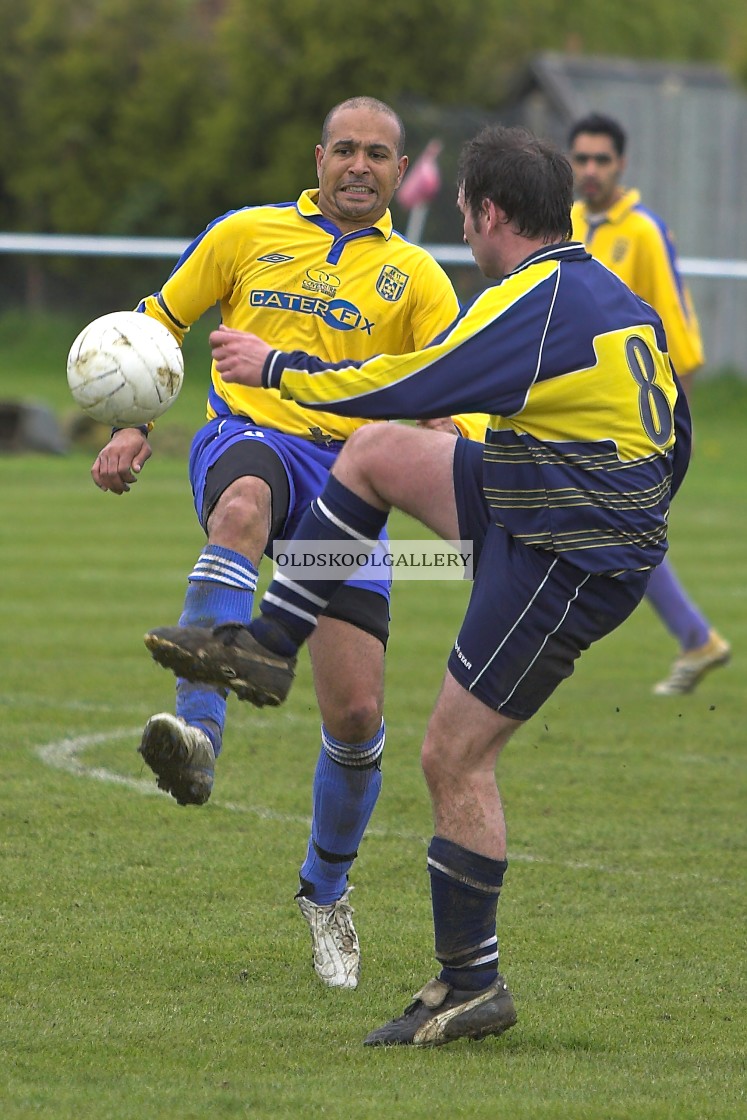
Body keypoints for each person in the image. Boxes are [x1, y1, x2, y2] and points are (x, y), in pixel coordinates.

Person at [145, 125, 691, 1047]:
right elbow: (676, 436)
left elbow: (409, 380)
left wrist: (278, 368)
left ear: (483, 213)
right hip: (540, 499)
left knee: (452, 756)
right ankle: (270, 648)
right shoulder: (603, 292)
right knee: (380, 457)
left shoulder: (530, 300)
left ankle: (470, 984)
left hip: (568, 550)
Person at [91, 95, 485, 991]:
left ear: (396, 170)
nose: (358, 165)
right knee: (238, 507)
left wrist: (451, 434)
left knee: (354, 718)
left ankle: (325, 892)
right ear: (317, 157)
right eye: (343, 149)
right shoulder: (245, 233)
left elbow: (442, 389)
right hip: (252, 439)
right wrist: (131, 424)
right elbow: (157, 327)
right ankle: (196, 740)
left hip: (352, 483)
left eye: (376, 154)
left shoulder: (419, 277)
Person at [568, 112, 730, 696]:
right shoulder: (566, 225)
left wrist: (667, 435)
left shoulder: (641, 232)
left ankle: (696, 638)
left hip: (629, 423)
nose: (590, 170)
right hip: (575, 416)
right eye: (581, 159)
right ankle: (696, 638)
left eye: (600, 160)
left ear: (621, 164)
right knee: (609, 531)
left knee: (611, 529)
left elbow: (678, 339)